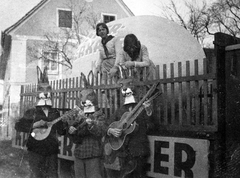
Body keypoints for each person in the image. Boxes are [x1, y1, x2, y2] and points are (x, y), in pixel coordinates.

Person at [15, 67, 67, 178]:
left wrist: (67, 124)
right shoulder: (32, 112)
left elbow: (62, 131)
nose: (45, 94)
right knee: (36, 175)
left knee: (53, 175)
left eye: (47, 91)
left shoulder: (55, 113)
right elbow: (18, 125)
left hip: (51, 151)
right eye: (42, 92)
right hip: (35, 150)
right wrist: (34, 125)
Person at [103, 77, 155, 178]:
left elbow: (152, 126)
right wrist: (111, 130)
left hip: (139, 150)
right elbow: (106, 125)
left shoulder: (143, 107)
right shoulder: (120, 110)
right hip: (123, 151)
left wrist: (149, 111)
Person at [67, 72, 108, 178]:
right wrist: (71, 129)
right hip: (79, 152)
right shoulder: (79, 114)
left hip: (93, 153)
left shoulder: (99, 114)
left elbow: (101, 131)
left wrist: (91, 126)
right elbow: (72, 128)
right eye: (82, 97)